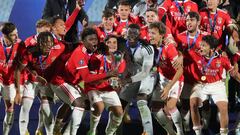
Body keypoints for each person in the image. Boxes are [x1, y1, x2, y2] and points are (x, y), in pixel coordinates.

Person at [49, 27, 118, 135]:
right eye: (90, 39)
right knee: (79, 103)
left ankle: (61, 129)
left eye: (95, 39)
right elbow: (86, 78)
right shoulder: (79, 53)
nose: (94, 41)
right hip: (60, 81)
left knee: (86, 104)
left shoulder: (94, 50)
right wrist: (108, 74)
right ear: (83, 41)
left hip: (72, 82)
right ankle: (66, 131)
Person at [188, 35, 240, 135]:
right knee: (193, 103)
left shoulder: (222, 59)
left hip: (217, 85)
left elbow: (233, 73)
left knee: (223, 107)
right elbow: (180, 54)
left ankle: (224, 133)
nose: (200, 47)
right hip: (201, 84)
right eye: (201, 45)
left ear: (212, 49)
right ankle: (198, 132)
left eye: (204, 46)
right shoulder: (194, 54)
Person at [175, 11, 209, 133]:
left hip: (202, 76)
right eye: (187, 20)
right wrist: (180, 54)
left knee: (204, 103)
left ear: (198, 22)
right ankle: (186, 128)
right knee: (185, 104)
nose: (188, 22)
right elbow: (176, 52)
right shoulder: (179, 37)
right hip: (186, 76)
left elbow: (211, 54)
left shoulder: (206, 36)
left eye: (192, 20)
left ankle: (206, 124)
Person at [149, 21, 184, 135]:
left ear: (161, 35)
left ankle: (180, 131)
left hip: (175, 80)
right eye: (150, 33)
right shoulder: (151, 47)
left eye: (153, 33)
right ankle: (170, 132)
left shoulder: (169, 48)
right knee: (155, 108)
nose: (150, 36)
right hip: (162, 78)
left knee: (170, 106)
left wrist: (168, 87)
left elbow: (180, 70)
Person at [119, 24, 155, 135]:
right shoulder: (121, 45)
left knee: (141, 101)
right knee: (119, 105)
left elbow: (145, 72)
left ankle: (148, 132)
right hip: (130, 76)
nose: (132, 35)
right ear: (126, 33)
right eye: (130, 32)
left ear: (139, 34)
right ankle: (115, 131)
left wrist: (127, 80)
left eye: (135, 33)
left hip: (147, 77)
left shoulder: (147, 48)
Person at [86, 34, 125, 135]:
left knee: (119, 113)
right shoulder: (96, 58)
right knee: (99, 106)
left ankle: (110, 132)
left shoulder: (119, 59)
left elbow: (116, 80)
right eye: (109, 42)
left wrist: (117, 83)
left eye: (114, 42)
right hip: (93, 88)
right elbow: (92, 81)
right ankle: (92, 131)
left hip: (108, 89)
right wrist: (108, 78)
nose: (112, 45)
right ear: (105, 44)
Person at [0, 22, 25, 135]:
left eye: (17, 33)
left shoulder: (20, 44)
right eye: (13, 35)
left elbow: (21, 67)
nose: (17, 37)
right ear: (5, 36)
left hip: (10, 81)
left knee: (10, 111)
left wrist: (18, 91)